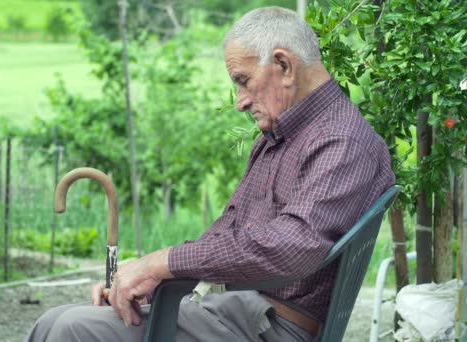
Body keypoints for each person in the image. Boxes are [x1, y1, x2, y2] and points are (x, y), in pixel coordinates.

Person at [25, 6, 395, 342]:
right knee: (53, 320)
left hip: (267, 328)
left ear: (283, 66)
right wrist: (147, 277)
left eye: (242, 80)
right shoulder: (283, 134)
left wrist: (161, 263)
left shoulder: (342, 141)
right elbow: (228, 232)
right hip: (237, 313)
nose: (239, 101)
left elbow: (290, 247)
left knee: (71, 329)